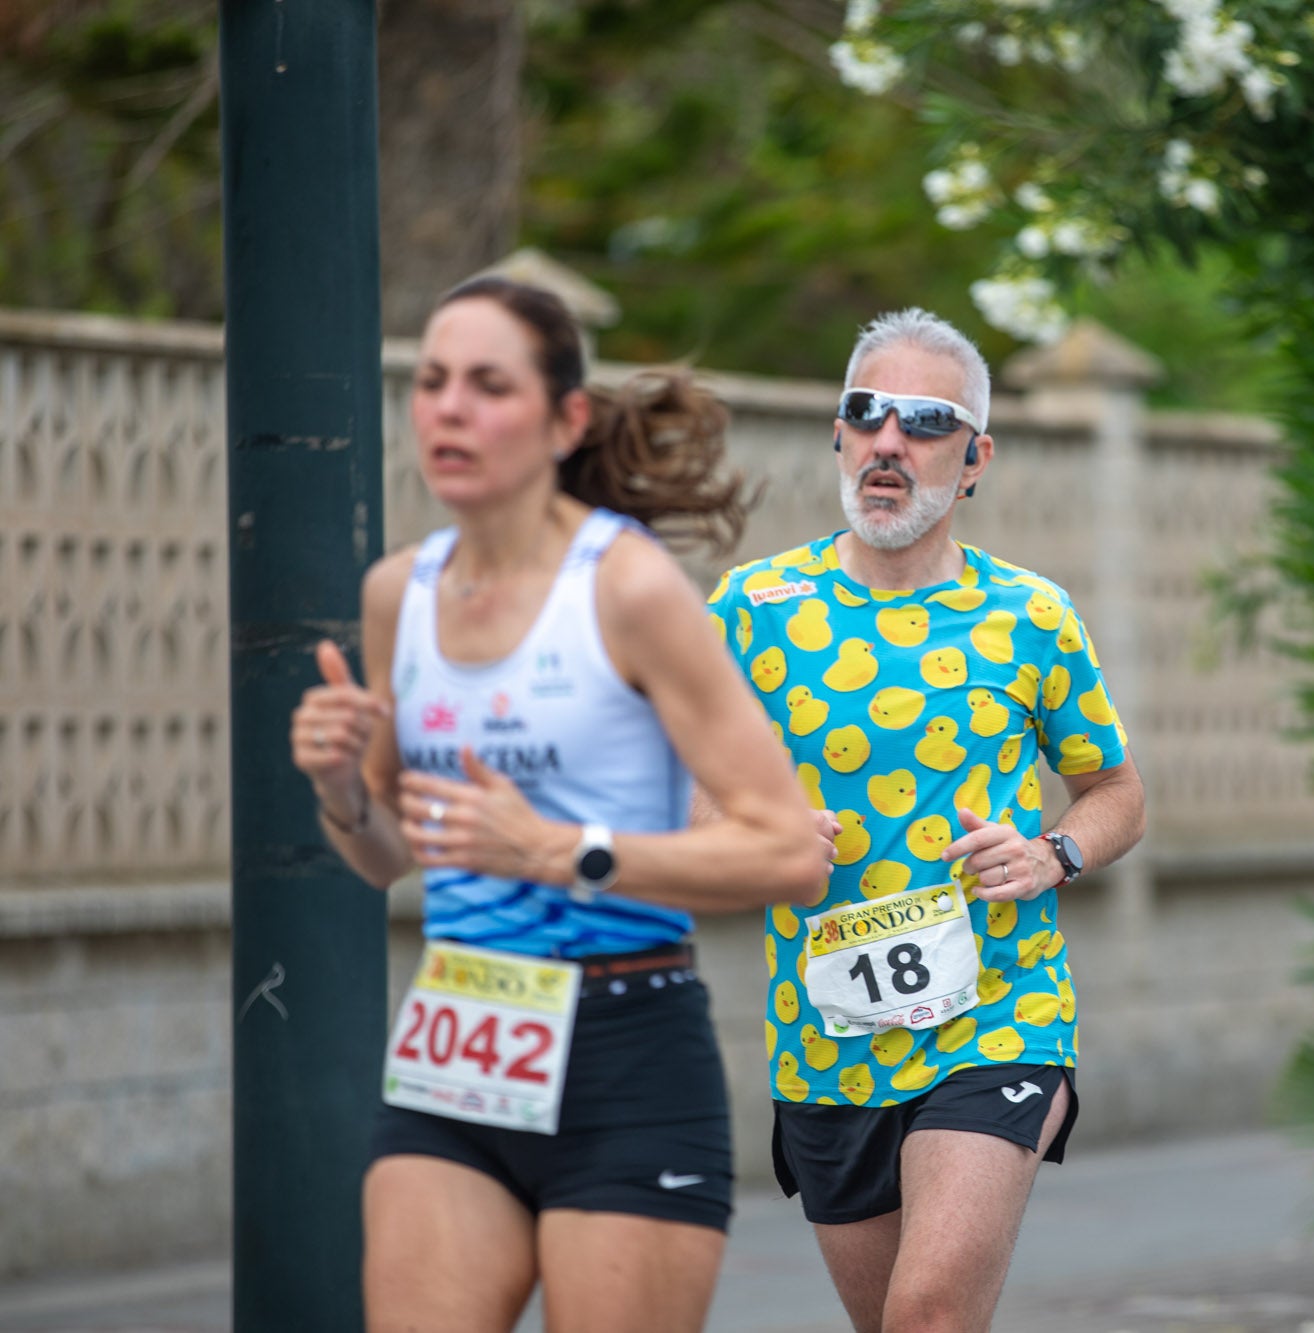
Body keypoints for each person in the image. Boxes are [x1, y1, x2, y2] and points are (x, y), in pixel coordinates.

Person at [289, 275, 826, 1333]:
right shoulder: (399, 590)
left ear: (562, 418)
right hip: (461, 1033)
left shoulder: (626, 590)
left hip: (625, 1050)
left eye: (488, 385)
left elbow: (785, 851)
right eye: (433, 382)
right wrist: (341, 789)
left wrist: (563, 851)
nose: (448, 408)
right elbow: (388, 854)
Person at [707, 307, 1147, 1331]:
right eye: (866, 413)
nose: (888, 441)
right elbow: (676, 790)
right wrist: (751, 835)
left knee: (930, 1315)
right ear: (838, 432)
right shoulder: (750, 608)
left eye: (925, 420)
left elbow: (1117, 793)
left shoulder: (1029, 616)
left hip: (996, 1017)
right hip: (823, 1040)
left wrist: (1051, 854)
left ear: (975, 455)